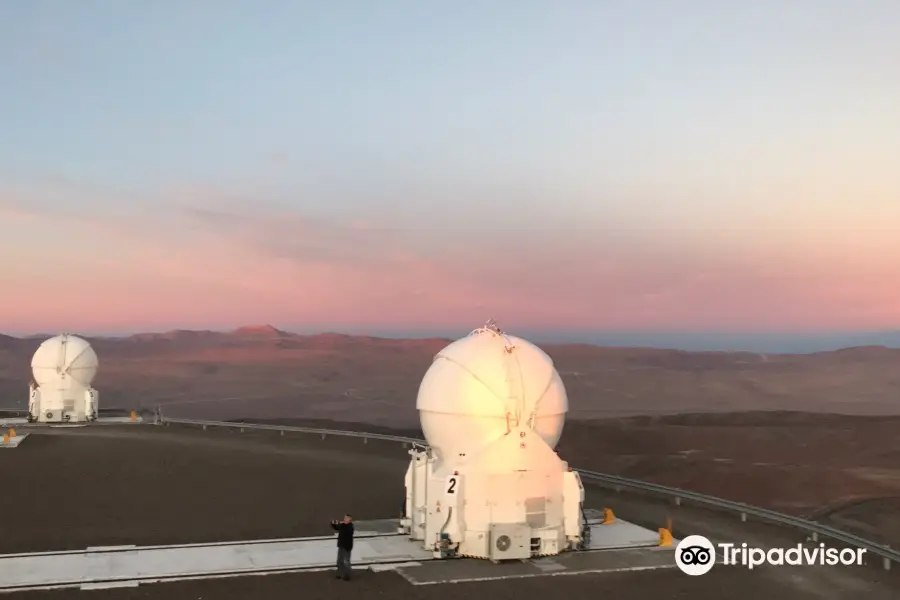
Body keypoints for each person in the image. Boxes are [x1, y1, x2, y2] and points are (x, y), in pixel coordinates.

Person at [331, 514, 354, 580]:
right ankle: (340, 574)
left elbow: (346, 530)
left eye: (346, 518)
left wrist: (339, 523)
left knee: (346, 562)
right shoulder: (344, 525)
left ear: (349, 520)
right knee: (339, 561)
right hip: (341, 545)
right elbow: (337, 528)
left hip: (347, 547)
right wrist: (334, 524)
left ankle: (347, 575)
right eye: (344, 518)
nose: (344, 519)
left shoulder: (350, 527)